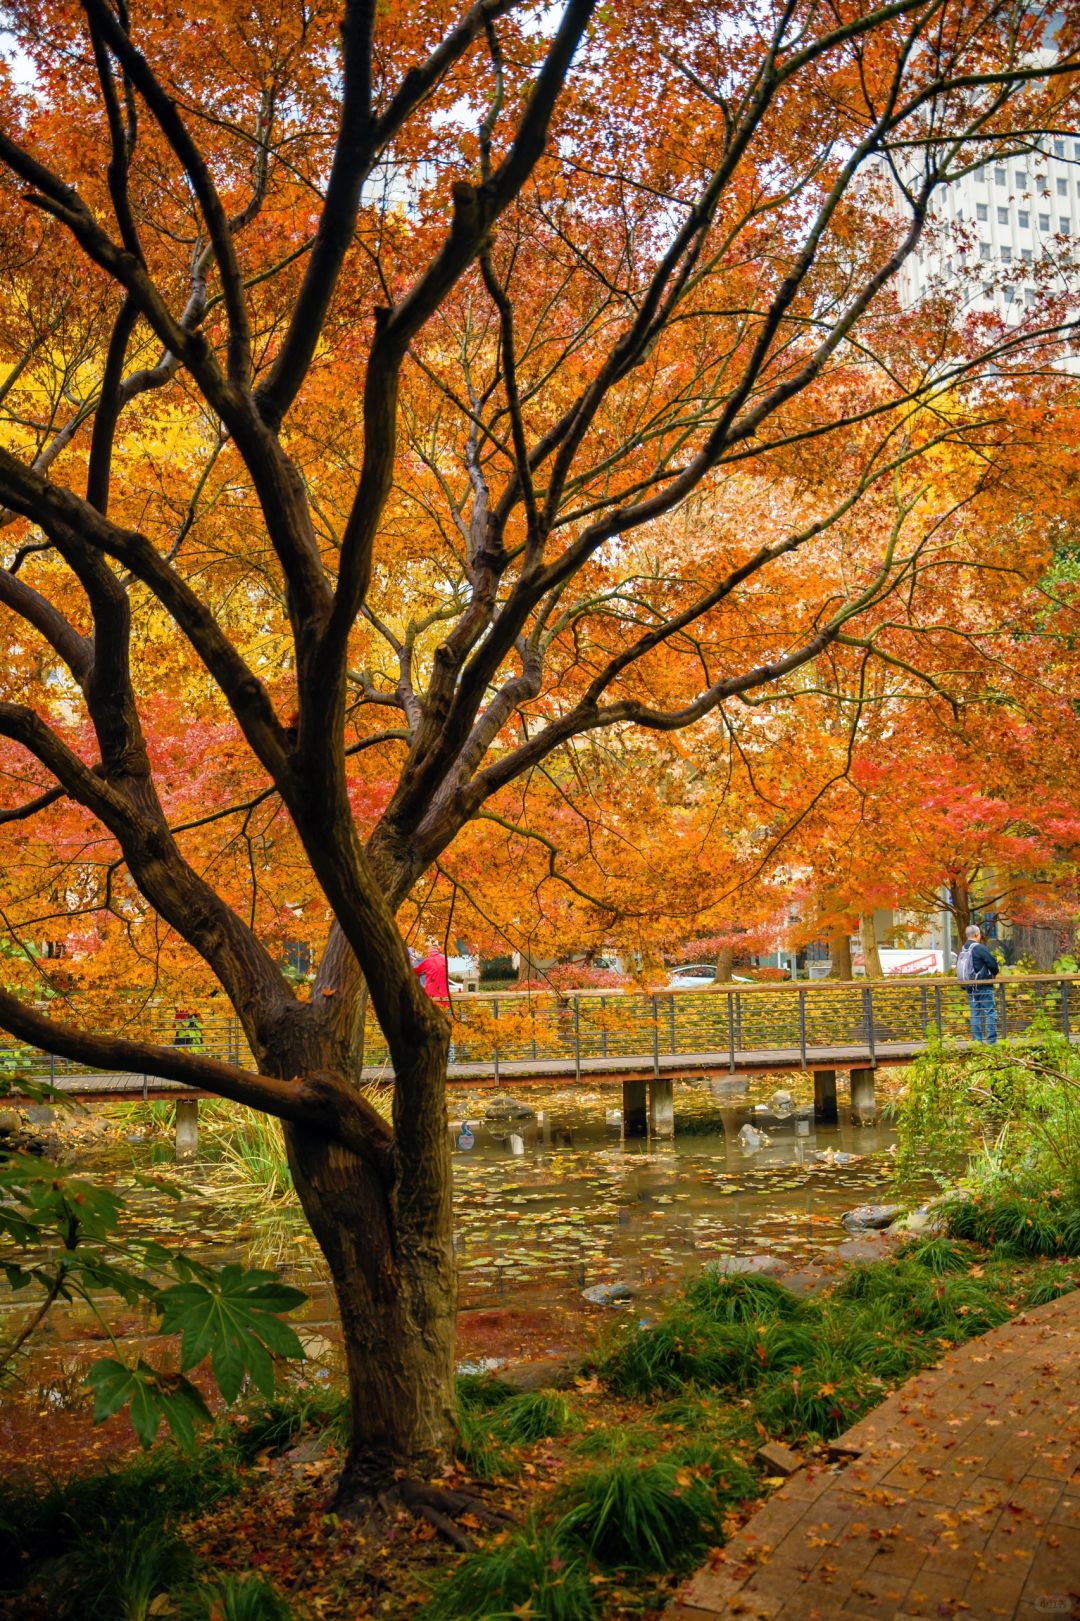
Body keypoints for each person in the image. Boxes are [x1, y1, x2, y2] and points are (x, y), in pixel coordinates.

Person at [955, 924, 999, 1045]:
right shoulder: (979, 948)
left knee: (975, 1014)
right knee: (990, 1012)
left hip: (970, 987)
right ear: (976, 934)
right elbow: (993, 964)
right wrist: (994, 973)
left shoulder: (964, 949)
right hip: (983, 986)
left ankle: (977, 1042)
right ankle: (991, 1042)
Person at [413, 944, 456, 1063]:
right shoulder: (444, 960)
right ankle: (451, 1060)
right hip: (445, 1000)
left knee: (429, 1030)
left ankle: (431, 1060)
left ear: (429, 953)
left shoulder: (427, 961)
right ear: (438, 951)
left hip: (432, 1000)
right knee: (446, 1029)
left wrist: (413, 962)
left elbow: (415, 971)